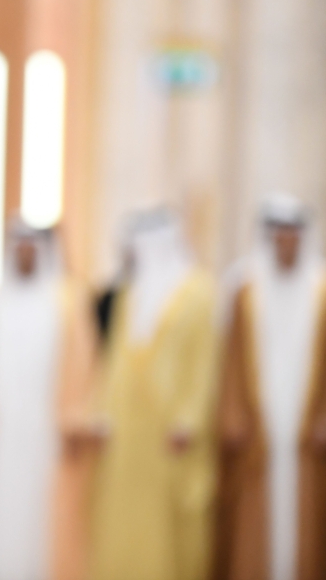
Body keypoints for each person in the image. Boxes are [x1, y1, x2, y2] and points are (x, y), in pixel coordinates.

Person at [0, 222, 98, 580]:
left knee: (44, 518)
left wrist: (76, 417)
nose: (26, 255)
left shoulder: (66, 308)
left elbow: (85, 369)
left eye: (33, 248)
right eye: (20, 248)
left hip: (46, 436)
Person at [213, 194, 326, 580]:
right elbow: (232, 361)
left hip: (305, 431)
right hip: (259, 427)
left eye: (294, 236)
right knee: (256, 525)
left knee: (305, 525)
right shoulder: (245, 290)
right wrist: (234, 416)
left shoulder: (325, 290)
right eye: (280, 236)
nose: (287, 244)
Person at [89, 209, 219, 580]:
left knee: (172, 527)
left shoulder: (199, 291)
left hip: (172, 434)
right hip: (129, 433)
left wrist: (189, 420)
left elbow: (205, 363)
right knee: (126, 522)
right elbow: (116, 359)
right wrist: (103, 413)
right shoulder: (131, 293)